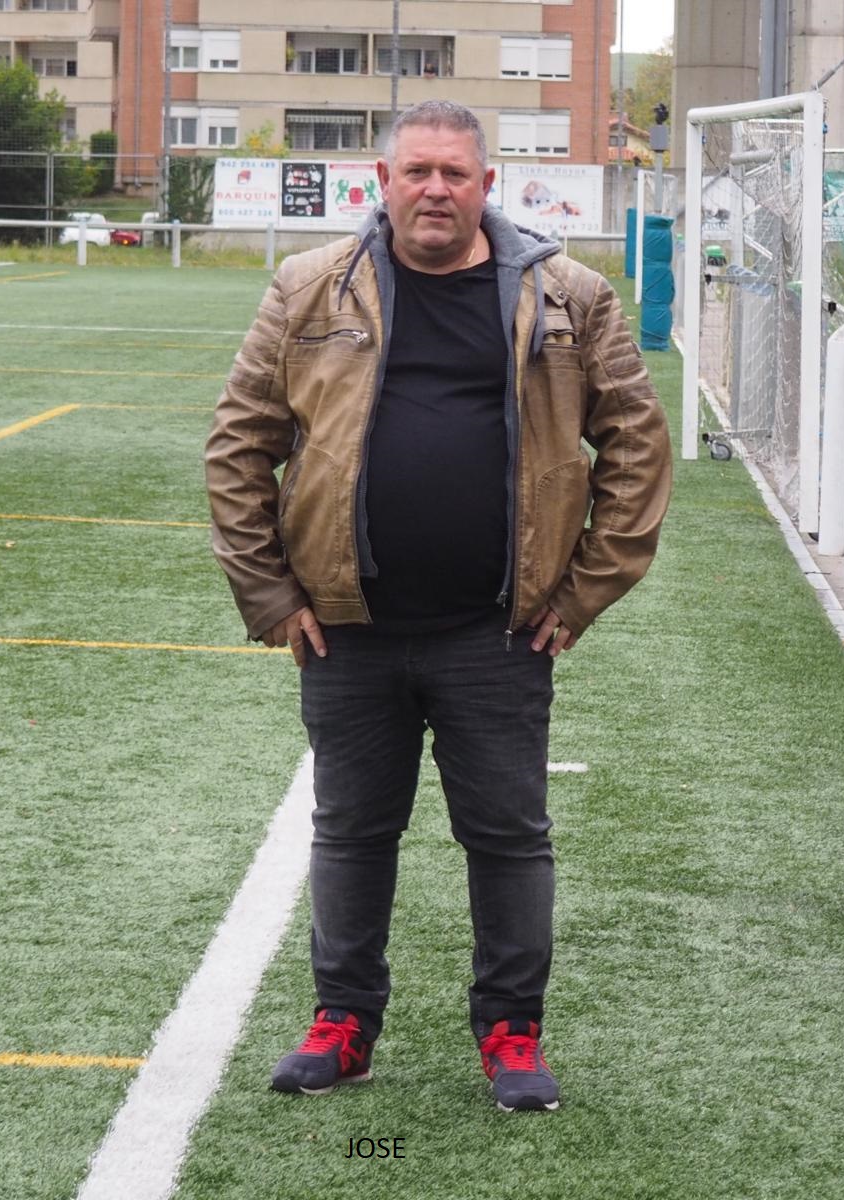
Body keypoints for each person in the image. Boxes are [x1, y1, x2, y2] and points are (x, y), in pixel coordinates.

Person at [205, 100, 672, 1113]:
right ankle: (344, 1023)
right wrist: (271, 593)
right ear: (382, 181)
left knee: (507, 838)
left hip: (497, 632)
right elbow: (239, 444)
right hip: (348, 630)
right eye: (416, 171)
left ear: (485, 186)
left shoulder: (568, 294)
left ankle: (511, 1032)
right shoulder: (308, 285)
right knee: (350, 832)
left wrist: (584, 592)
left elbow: (637, 443)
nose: (434, 190)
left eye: (454, 173)